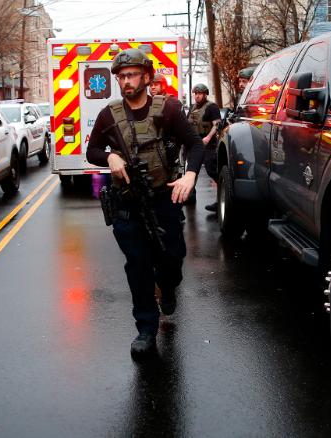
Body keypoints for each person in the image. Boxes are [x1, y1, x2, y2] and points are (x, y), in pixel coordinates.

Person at [86, 48, 203, 359]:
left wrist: (190, 175)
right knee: (137, 264)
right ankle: (146, 329)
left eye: (132, 74)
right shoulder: (109, 114)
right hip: (127, 201)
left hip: (164, 197)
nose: (126, 81)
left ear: (147, 77)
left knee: (171, 257)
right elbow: (92, 151)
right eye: (122, 76)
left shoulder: (169, 109)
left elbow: (194, 144)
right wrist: (109, 156)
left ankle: (168, 285)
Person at [187, 83, 221, 212]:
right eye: (195, 94)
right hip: (194, 144)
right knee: (191, 170)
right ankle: (190, 196)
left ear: (205, 94)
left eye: (199, 94)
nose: (197, 96)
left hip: (208, 143)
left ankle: (221, 198)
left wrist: (208, 138)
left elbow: (217, 124)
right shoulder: (192, 108)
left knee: (212, 170)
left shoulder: (212, 107)